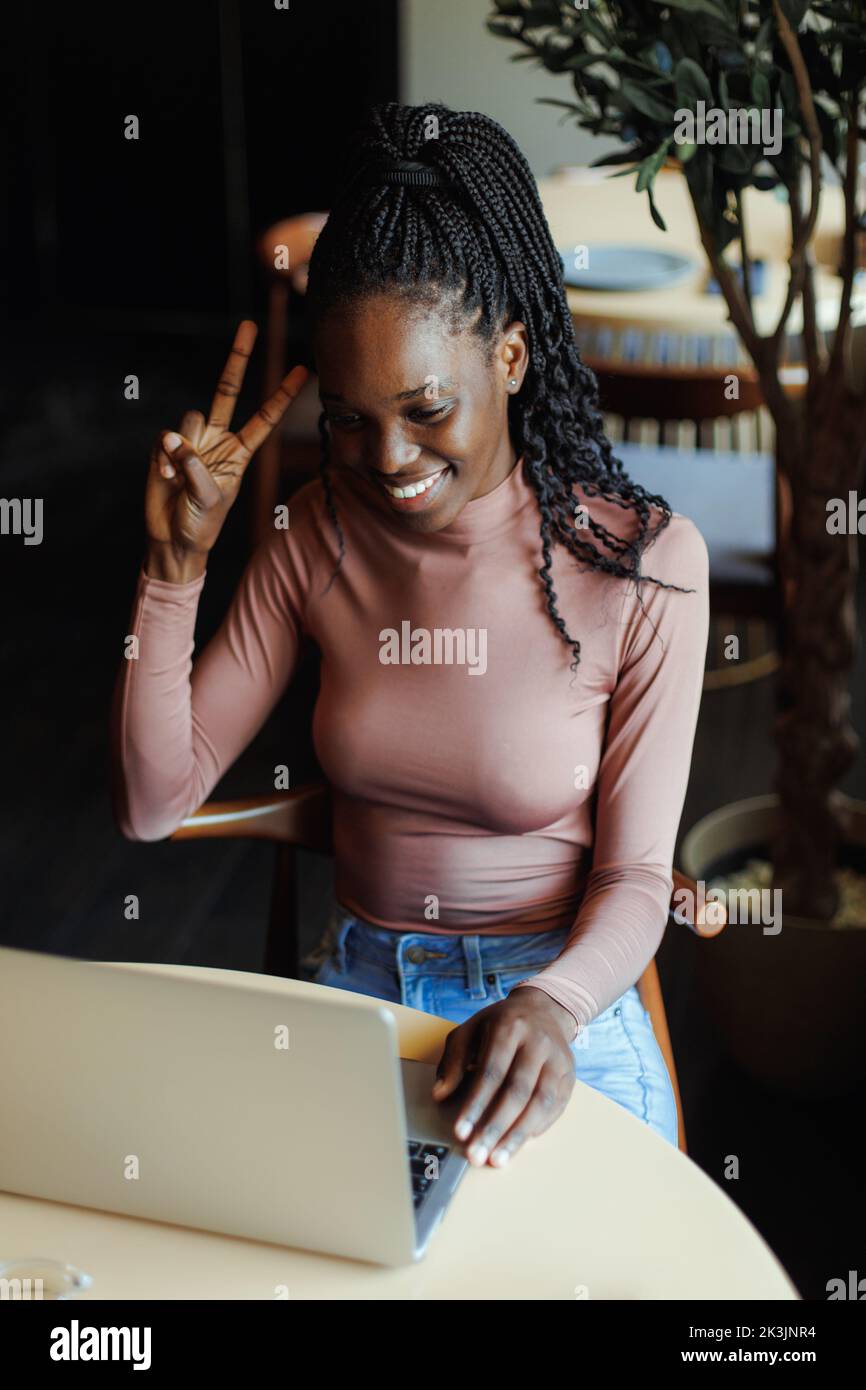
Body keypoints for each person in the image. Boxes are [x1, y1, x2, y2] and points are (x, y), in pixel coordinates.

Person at [111, 102, 709, 1166]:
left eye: (425, 406)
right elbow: (155, 805)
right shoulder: (313, 535)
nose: (387, 457)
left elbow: (634, 877)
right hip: (358, 992)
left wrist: (552, 1005)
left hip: (551, 1002)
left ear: (513, 356)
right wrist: (175, 570)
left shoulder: (643, 566)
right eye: (348, 416)